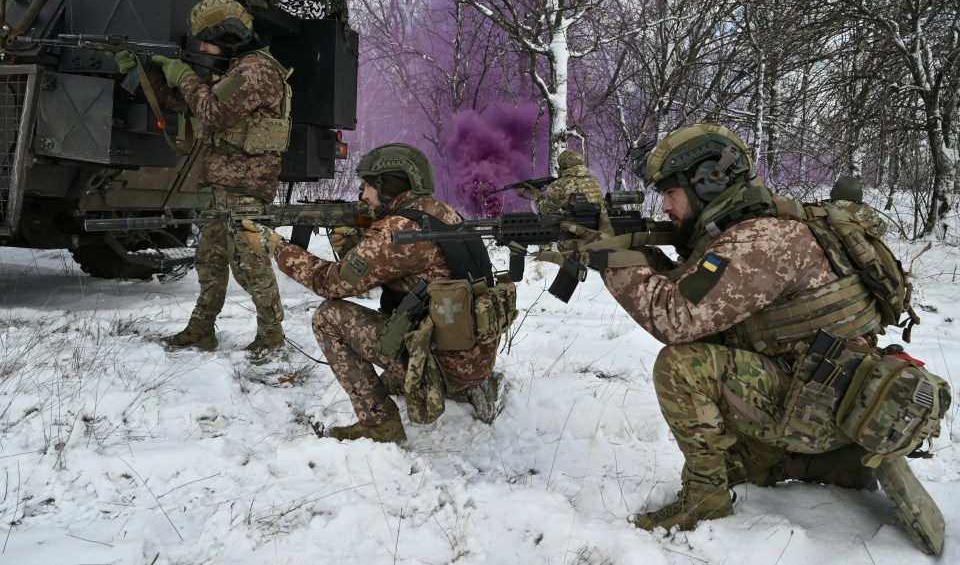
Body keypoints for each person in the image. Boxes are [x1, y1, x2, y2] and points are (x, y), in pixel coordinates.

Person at [541, 123, 942, 552]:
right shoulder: (763, 224)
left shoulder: (761, 240)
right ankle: (826, 462)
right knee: (736, 456)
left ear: (708, 183)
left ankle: (707, 499)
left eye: (670, 192)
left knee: (683, 365)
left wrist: (609, 259)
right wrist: (628, 248)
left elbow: (674, 316)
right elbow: (694, 286)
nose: (664, 205)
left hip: (816, 403)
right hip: (825, 393)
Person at [240, 143, 506, 443]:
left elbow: (328, 283)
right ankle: (467, 386)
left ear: (389, 185)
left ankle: (380, 424)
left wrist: (276, 248)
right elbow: (398, 275)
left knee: (328, 317)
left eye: (368, 186)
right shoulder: (441, 211)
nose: (363, 195)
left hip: (441, 362)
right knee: (390, 377)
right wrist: (354, 247)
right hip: (474, 356)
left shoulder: (396, 230)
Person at [112, 0, 292, 363]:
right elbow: (187, 103)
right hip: (222, 184)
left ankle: (272, 338)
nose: (204, 48)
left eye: (208, 41)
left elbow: (211, 113)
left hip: (245, 187)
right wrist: (140, 73)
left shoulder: (256, 71)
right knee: (209, 260)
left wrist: (184, 74)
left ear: (230, 36)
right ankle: (201, 329)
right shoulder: (237, 67)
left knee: (250, 265)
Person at [526, 148, 603, 212]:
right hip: (596, 225)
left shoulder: (558, 184)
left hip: (573, 226)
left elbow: (544, 209)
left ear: (562, 166)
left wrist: (535, 192)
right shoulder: (592, 180)